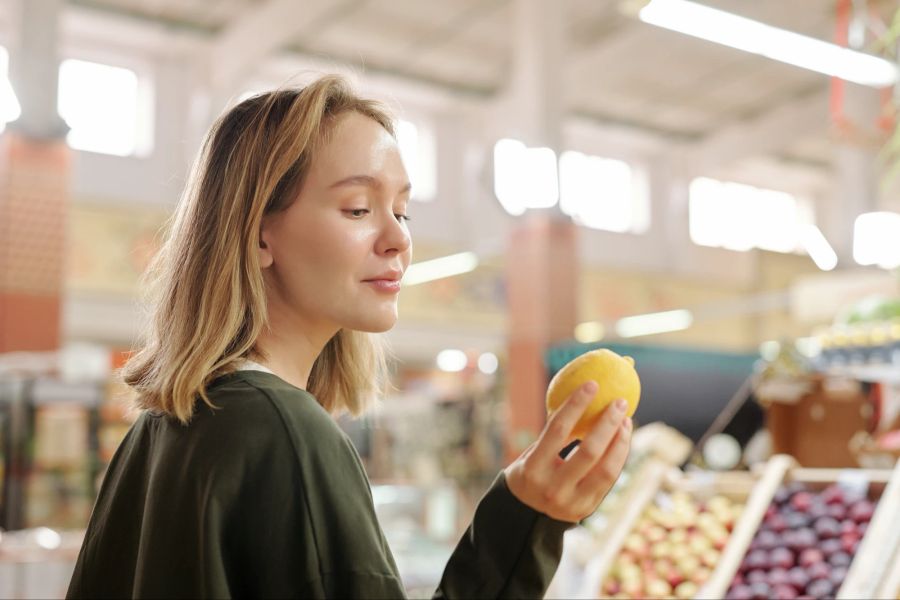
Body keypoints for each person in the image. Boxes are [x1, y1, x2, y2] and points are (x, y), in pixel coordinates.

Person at [66, 75, 633, 599]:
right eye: (358, 207)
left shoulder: (163, 426)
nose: (397, 239)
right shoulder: (286, 432)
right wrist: (526, 519)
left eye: (403, 212)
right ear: (257, 234)